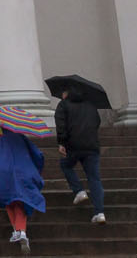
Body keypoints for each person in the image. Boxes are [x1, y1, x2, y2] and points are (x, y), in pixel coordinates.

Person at [0, 119, 46, 247]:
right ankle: (21, 231)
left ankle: (18, 230)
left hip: (2, 175)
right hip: (22, 173)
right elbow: (37, 153)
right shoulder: (19, 136)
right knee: (20, 201)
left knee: (8, 202)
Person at [53, 85, 106, 225]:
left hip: (73, 145)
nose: (61, 94)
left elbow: (61, 125)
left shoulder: (63, 105)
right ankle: (99, 213)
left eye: (63, 91)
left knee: (65, 165)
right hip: (92, 146)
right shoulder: (90, 105)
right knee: (94, 179)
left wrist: (61, 143)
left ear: (67, 92)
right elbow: (97, 122)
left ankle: (79, 190)